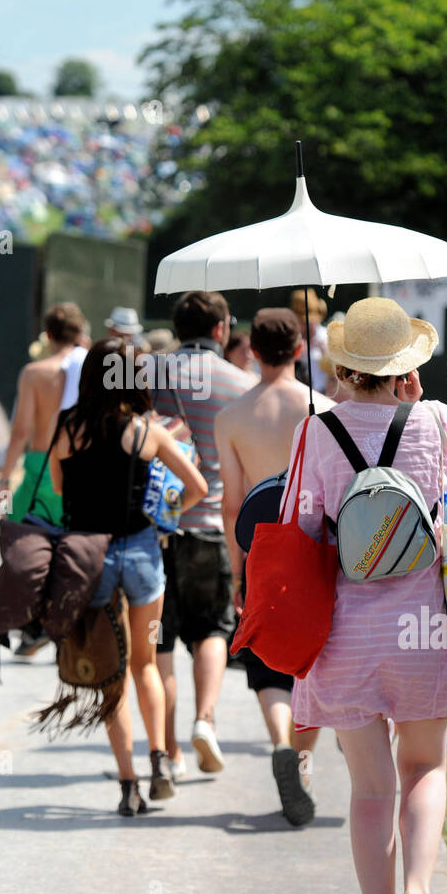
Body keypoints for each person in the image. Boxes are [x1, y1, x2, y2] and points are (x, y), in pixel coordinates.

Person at [281, 296, 447, 894]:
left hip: (346, 633)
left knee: (369, 790)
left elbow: (299, 530)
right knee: (423, 766)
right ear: (404, 366)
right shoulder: (436, 419)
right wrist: (414, 407)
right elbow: (442, 504)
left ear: (341, 364)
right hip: (423, 626)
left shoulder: (315, 430)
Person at [49, 339, 207, 816]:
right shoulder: (147, 433)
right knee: (146, 664)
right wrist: (164, 516)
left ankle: (127, 784)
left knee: (110, 673)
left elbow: (58, 488)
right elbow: (197, 488)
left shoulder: (69, 428)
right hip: (140, 554)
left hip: (88, 558)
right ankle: (159, 759)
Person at [215, 308, 334, 825]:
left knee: (267, 661)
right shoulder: (324, 411)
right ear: (301, 350)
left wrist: (236, 568)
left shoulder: (232, 416)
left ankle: (281, 744)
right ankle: (301, 760)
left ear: (254, 351)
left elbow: (232, 503)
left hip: (261, 547)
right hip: (316, 547)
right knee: (314, 656)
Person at [152, 290, 256, 779]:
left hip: (154, 528)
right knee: (213, 628)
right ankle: (205, 719)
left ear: (178, 329)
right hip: (212, 524)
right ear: (221, 330)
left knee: (159, 642)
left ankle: (166, 749)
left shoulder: (147, 374)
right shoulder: (243, 384)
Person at [0, 301, 86, 654]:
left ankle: (35, 624)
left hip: (39, 468)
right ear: (79, 333)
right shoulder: (89, 368)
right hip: (79, 470)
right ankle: (64, 624)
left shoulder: (35, 373)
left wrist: (4, 479)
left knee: (19, 539)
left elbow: (20, 430)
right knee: (71, 546)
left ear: (47, 334)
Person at [290, 288, 332, 395]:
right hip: (298, 394)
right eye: (301, 322)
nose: (304, 326)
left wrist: (326, 353)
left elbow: (339, 371)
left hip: (324, 394)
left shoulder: (328, 337)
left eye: (307, 322)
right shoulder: (292, 338)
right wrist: (296, 356)